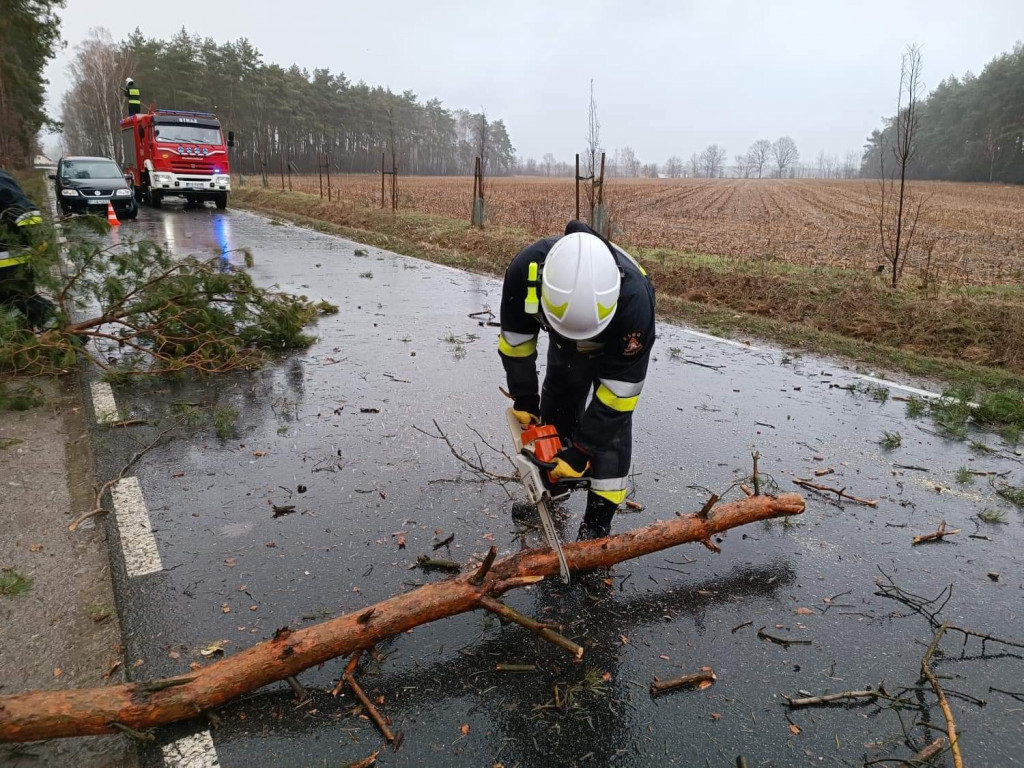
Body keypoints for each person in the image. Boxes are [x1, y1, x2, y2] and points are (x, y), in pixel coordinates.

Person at [499, 220, 656, 540]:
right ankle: (553, 487)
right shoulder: (523, 272)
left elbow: (618, 397)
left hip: (616, 338)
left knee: (609, 431)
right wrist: (524, 397)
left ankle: (597, 523)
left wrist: (583, 450)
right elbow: (515, 343)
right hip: (562, 338)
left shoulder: (636, 305)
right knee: (559, 398)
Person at [0, 170, 50, 327]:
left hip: (11, 259)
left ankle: (67, 335)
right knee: (9, 306)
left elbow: (25, 209)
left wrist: (35, 238)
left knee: (24, 300)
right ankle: (20, 341)